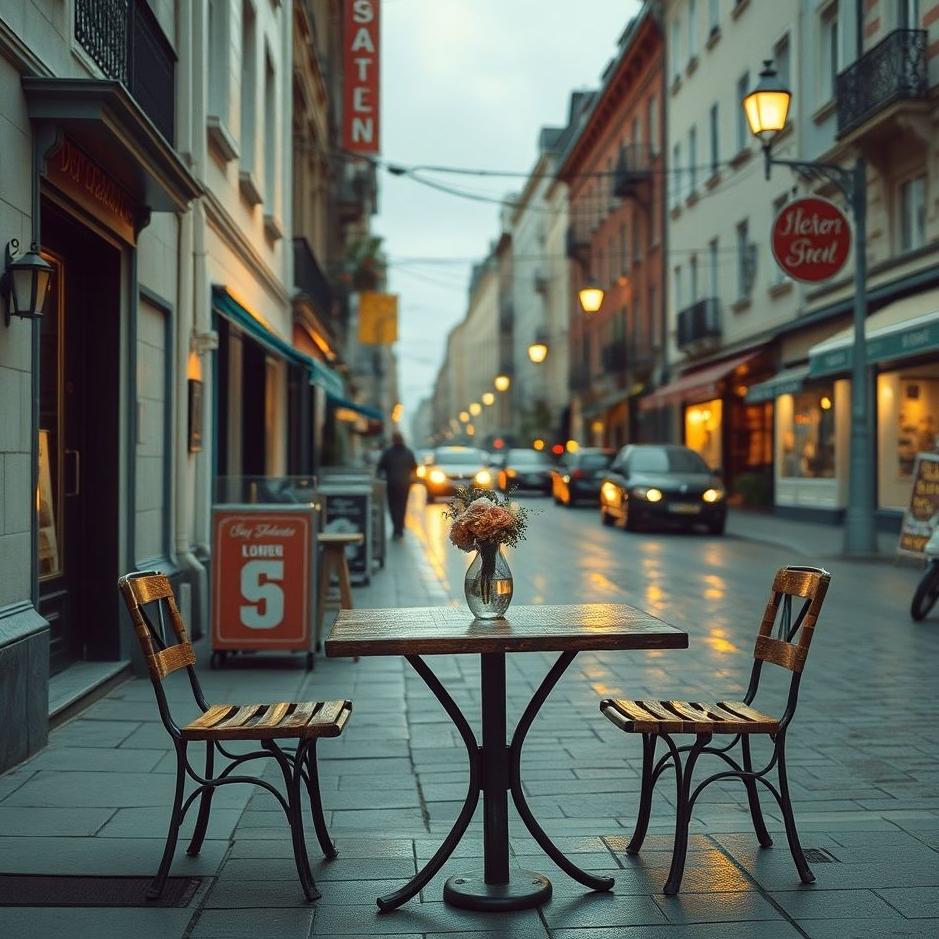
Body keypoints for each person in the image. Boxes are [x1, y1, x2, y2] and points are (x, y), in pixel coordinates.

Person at [377, 432, 417, 539]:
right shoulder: (408, 452)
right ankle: (399, 527)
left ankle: (396, 527)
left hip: (392, 483)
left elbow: (380, 467)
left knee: (392, 506)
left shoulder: (388, 452)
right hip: (404, 484)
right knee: (402, 506)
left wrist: (381, 478)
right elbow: (414, 467)